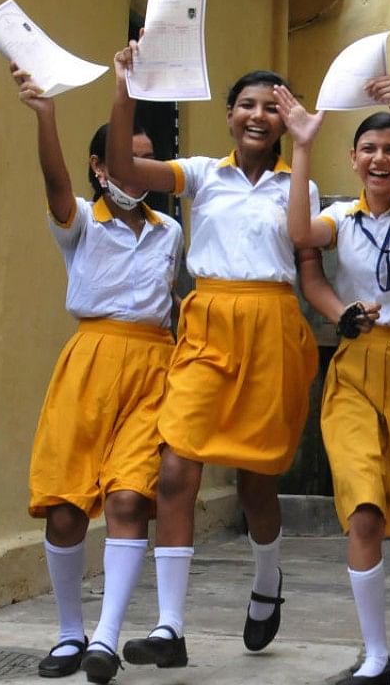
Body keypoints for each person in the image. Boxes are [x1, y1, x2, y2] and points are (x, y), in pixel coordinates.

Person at [107, 44, 319, 669]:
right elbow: (123, 170)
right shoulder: (202, 173)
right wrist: (126, 89)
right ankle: (171, 627)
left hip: (273, 327)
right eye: (247, 105)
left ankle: (268, 578)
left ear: (287, 121)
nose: (258, 116)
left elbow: (306, 240)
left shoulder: (293, 180)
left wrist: (305, 147)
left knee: (257, 483)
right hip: (208, 328)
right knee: (175, 468)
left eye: (272, 108)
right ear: (228, 115)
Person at [274, 78, 390, 683]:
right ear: (353, 159)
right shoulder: (338, 217)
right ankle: (375, 653)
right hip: (354, 369)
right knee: (365, 512)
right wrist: (301, 147)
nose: (381, 158)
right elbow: (302, 240)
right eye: (370, 149)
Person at [13, 63, 182, 684]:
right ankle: (68, 632)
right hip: (87, 367)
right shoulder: (82, 221)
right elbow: (54, 181)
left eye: (145, 158)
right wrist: (47, 116)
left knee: (129, 497)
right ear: (100, 168)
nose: (133, 168)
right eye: (121, 157)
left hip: (152, 370)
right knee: (62, 510)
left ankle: (105, 639)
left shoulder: (171, 233)